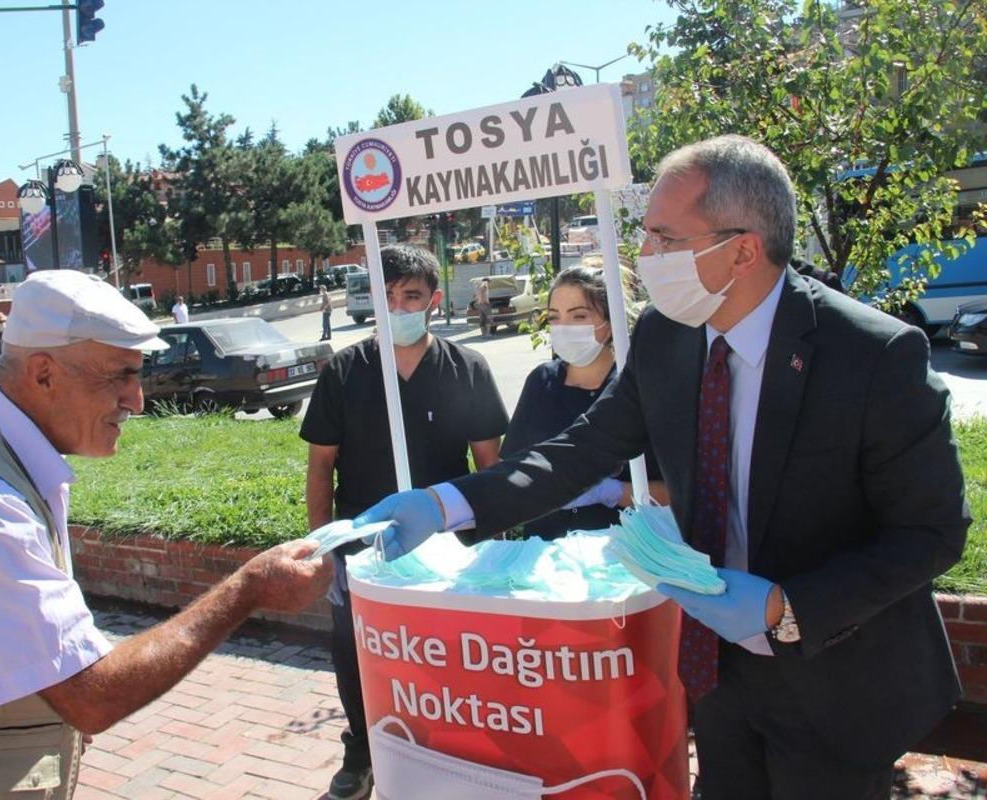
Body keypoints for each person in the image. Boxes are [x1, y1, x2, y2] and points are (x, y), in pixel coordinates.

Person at [356, 135, 968, 799]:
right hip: (718, 674)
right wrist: (446, 504)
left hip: (833, 677)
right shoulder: (666, 336)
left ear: (743, 248)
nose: (644, 258)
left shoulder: (873, 356)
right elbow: (579, 452)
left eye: (664, 239)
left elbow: (931, 532)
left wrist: (783, 606)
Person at [0, 270, 332, 798]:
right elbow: (92, 696)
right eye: (118, 375)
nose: (136, 400)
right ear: (44, 374)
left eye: (137, 374)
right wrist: (248, 589)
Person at [301, 243, 509, 800]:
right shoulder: (346, 371)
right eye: (386, 296)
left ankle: (450, 758)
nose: (398, 306)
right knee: (355, 655)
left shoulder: (466, 368)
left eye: (411, 296)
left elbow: (490, 466)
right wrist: (325, 551)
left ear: (434, 302)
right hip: (361, 547)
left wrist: (490, 551)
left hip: (447, 548)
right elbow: (320, 466)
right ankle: (362, 754)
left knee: (448, 659)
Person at [503, 265, 667, 538]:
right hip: (546, 552)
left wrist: (614, 492)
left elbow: (678, 493)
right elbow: (511, 469)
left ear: (610, 321)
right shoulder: (541, 382)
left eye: (579, 316)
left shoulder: (638, 386)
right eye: (554, 318)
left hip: (626, 556)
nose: (564, 329)